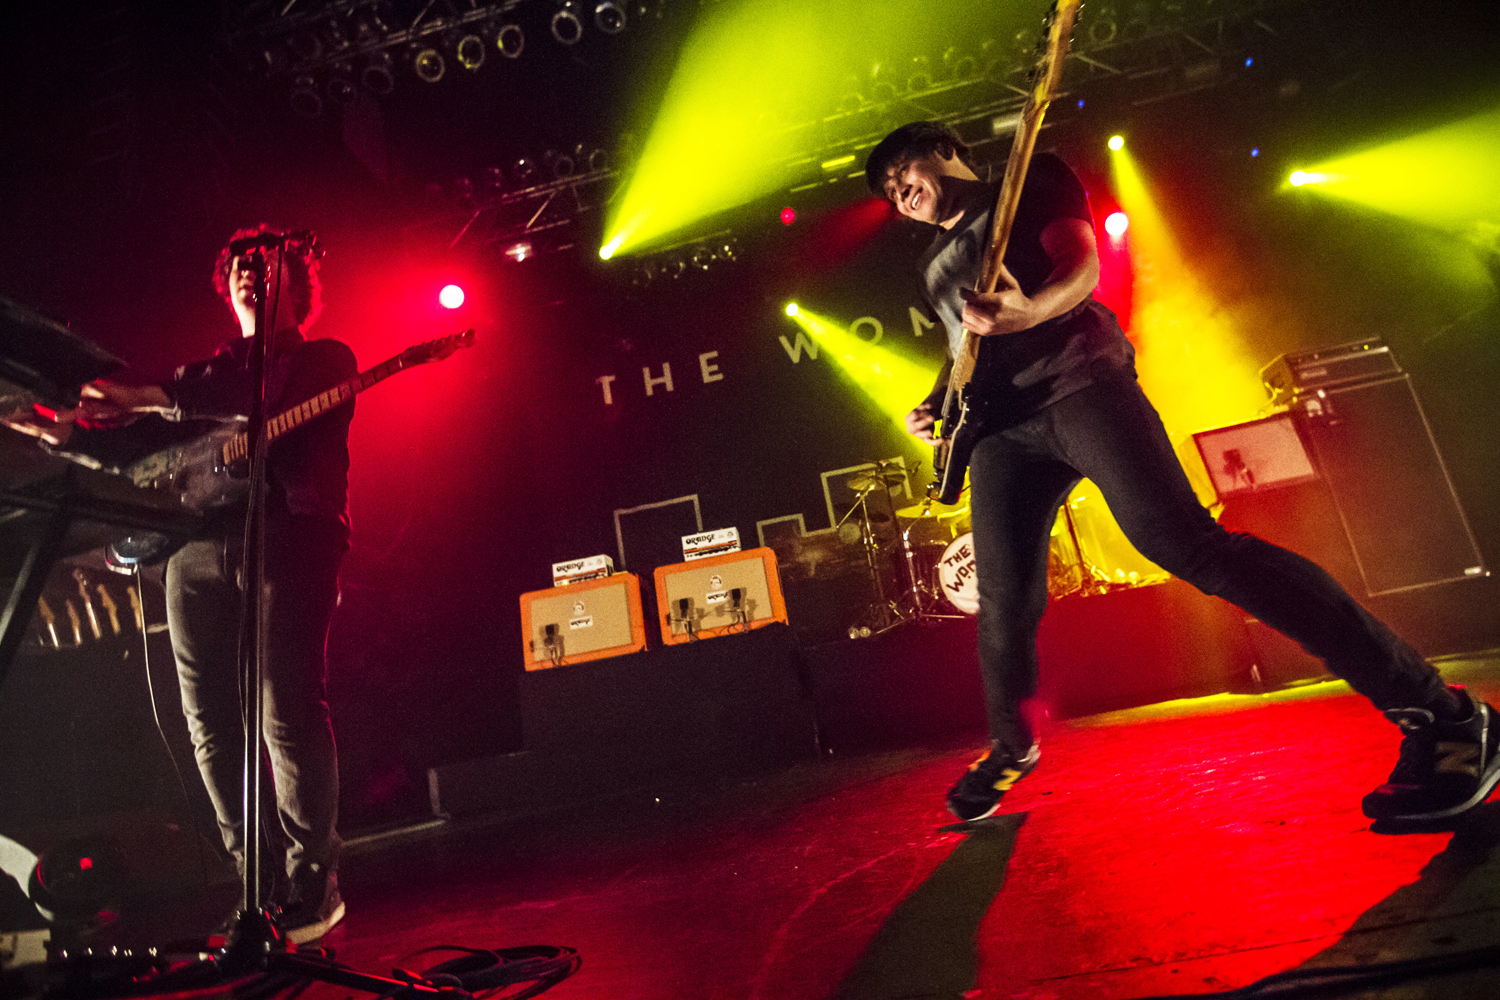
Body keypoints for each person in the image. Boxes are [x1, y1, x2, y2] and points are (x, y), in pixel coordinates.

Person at [863, 121, 1500, 824]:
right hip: (999, 432)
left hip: (1078, 384)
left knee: (1189, 547)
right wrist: (936, 400)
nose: (899, 193)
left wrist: (1030, 310)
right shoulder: (931, 265)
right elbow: (964, 345)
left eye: (902, 171)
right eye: (889, 192)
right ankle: (1011, 746)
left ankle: (1444, 715)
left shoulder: (1029, 179)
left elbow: (1080, 270)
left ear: (945, 149)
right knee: (1003, 600)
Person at [4, 226, 353, 942]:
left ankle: (312, 878)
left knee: (285, 711)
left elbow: (235, 401)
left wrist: (153, 395)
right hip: (194, 548)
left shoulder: (322, 358)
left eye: (270, 262)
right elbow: (150, 452)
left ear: (303, 280)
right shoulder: (205, 375)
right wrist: (61, 436)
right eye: (238, 268)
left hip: (288, 536)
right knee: (212, 728)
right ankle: (254, 884)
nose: (251, 275)